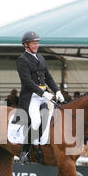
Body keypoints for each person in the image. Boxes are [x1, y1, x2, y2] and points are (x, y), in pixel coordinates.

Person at [16, 31, 64, 165]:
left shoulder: (41, 58)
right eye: (33, 43)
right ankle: (24, 152)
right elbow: (27, 81)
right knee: (36, 122)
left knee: (59, 114)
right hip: (31, 97)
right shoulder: (22, 60)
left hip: (44, 95)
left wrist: (57, 90)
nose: (36, 45)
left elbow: (48, 77)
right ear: (26, 45)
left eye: (37, 43)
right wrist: (43, 93)